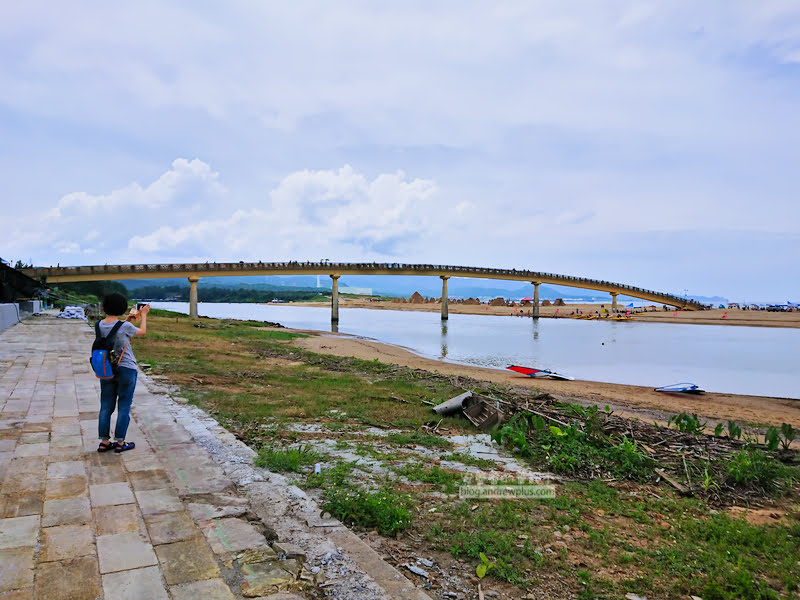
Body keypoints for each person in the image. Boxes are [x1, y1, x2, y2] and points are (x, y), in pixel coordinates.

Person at [96, 293, 149, 453]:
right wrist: (144, 315)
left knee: (106, 406)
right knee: (124, 406)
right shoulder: (124, 327)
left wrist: (127, 321)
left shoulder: (99, 324)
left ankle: (104, 442)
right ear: (122, 308)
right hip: (126, 369)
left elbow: (114, 332)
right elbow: (142, 332)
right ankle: (120, 443)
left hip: (107, 369)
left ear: (104, 307)